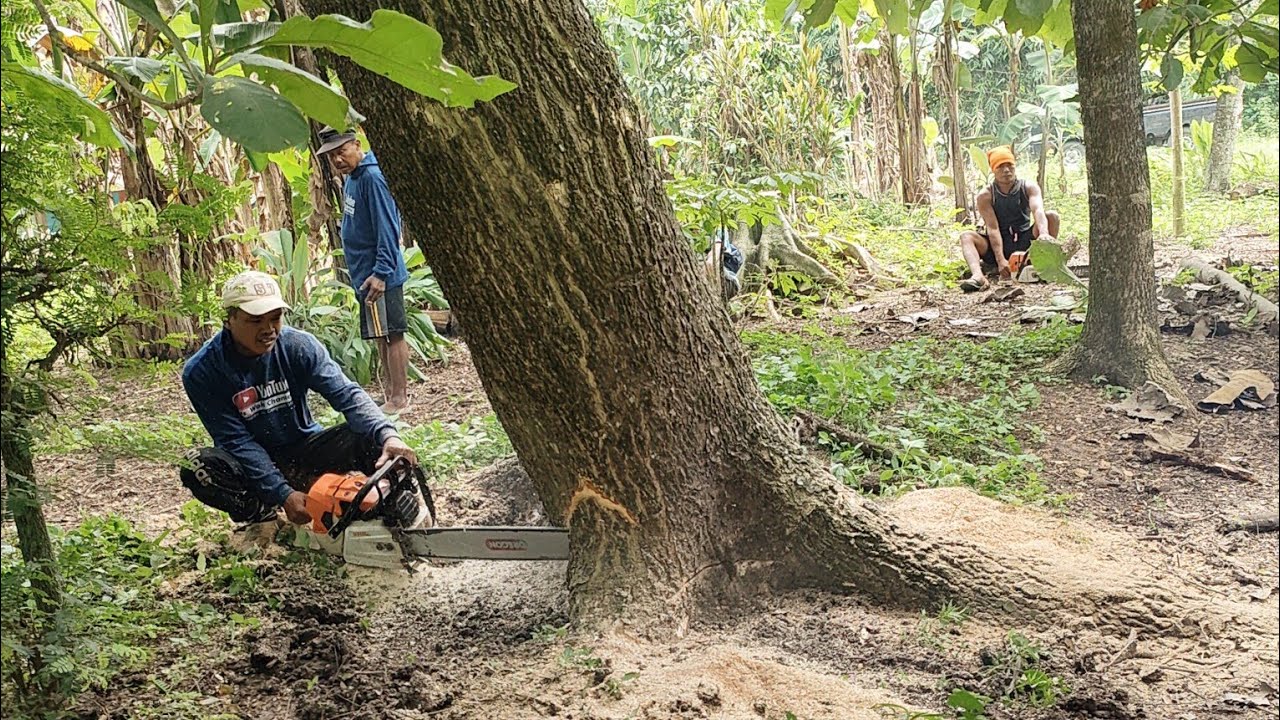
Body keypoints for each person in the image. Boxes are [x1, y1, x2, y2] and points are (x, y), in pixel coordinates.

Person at [179, 270, 418, 540]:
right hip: (250, 466)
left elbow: (346, 394)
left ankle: (395, 507)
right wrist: (282, 494)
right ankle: (263, 516)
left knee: (370, 436)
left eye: (275, 318)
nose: (268, 329)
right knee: (198, 466)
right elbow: (236, 441)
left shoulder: (297, 345)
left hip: (305, 449)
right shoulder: (202, 371)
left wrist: (388, 435)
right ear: (230, 320)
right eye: (255, 320)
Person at [316, 127, 412, 413]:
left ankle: (400, 398)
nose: (337, 159)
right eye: (332, 155)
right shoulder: (352, 179)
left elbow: (387, 227)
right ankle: (391, 393)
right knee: (380, 333)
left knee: (393, 332)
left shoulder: (372, 178)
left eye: (342, 151)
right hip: (365, 274)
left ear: (357, 145)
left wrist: (382, 272)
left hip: (380, 274)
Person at [958, 146, 1061, 292]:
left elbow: (1038, 210)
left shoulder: (1029, 187)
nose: (1006, 170)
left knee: (1052, 217)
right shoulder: (986, 195)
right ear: (993, 170)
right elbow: (992, 228)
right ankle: (978, 276)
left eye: (1009, 165)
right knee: (966, 237)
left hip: (1025, 240)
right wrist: (1000, 260)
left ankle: (1043, 264)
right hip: (997, 245)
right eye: (1001, 166)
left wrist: (1043, 233)